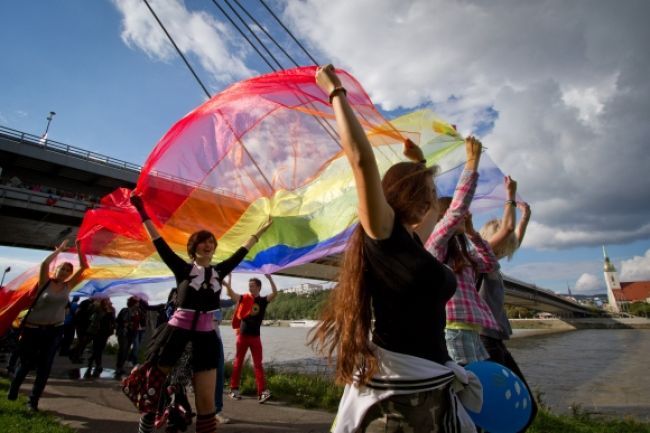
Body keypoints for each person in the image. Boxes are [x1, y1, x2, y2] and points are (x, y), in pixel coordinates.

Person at [309, 65, 480, 433]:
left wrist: (419, 164)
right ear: (405, 196)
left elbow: (439, 211)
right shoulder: (383, 233)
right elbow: (362, 161)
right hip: (398, 401)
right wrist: (336, 92)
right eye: (428, 194)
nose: (434, 203)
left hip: (432, 388)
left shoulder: (416, 243)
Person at [130, 193, 272, 433]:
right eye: (203, 241)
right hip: (175, 335)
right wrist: (141, 209)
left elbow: (242, 250)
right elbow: (157, 240)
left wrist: (260, 230)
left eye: (211, 242)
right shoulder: (182, 269)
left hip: (205, 340)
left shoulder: (220, 271)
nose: (209, 245)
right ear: (194, 248)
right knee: (154, 389)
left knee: (206, 403)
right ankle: (146, 425)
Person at [414, 135, 500, 366]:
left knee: (475, 389)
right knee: (463, 388)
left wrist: (472, 233)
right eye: (460, 213)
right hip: (451, 329)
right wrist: (472, 163)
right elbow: (456, 211)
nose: (465, 214)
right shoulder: (434, 246)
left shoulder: (463, 254)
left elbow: (491, 265)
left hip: (471, 330)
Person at [478, 191, 537, 431]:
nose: (506, 252)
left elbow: (514, 237)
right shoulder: (481, 262)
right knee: (515, 409)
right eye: (504, 247)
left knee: (521, 408)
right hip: (485, 340)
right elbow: (507, 232)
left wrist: (525, 218)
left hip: (494, 340)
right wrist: (510, 197)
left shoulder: (494, 265)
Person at [7, 239, 88, 411]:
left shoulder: (68, 286)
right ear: (56, 270)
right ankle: (14, 388)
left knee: (45, 366)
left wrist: (80, 250)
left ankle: (33, 401)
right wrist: (59, 250)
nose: (65, 272)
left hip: (54, 330)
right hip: (32, 329)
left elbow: (83, 268)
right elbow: (45, 263)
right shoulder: (45, 282)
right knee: (27, 363)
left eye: (68, 270)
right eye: (62, 269)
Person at [225, 274, 278, 403]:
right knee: (238, 363)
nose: (250, 288)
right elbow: (231, 294)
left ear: (259, 287)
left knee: (258, 364)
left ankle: (261, 393)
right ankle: (234, 390)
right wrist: (228, 282)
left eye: (252, 286)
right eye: (249, 286)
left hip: (255, 337)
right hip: (242, 336)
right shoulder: (244, 298)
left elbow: (275, 293)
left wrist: (270, 279)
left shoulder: (263, 300)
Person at [84, 297, 115, 378]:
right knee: (97, 348)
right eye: (106, 300)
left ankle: (92, 361)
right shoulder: (98, 308)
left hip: (105, 332)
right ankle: (97, 364)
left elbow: (112, 320)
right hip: (97, 331)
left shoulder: (111, 309)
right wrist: (95, 302)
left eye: (108, 300)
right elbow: (89, 311)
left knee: (100, 348)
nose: (108, 301)